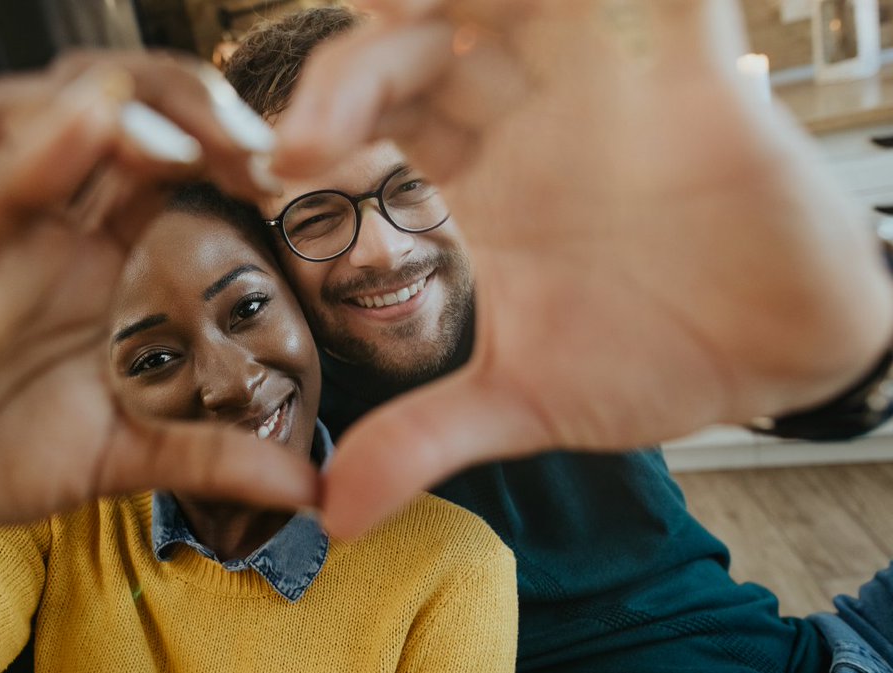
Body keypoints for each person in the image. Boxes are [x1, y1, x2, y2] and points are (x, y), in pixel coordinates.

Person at [221, 5, 893, 673]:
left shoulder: (563, 297)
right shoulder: (267, 408)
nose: (382, 248)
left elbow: (817, 373)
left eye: (414, 182)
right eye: (313, 216)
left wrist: (861, 357)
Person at [0, 164, 517, 669]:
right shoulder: (49, 519)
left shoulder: (452, 570)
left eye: (247, 308)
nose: (232, 383)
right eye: (153, 359)